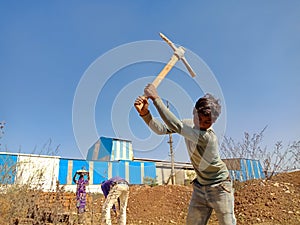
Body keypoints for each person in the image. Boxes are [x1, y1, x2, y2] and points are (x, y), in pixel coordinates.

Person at [134, 83, 236, 225]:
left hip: (220, 187)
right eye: (199, 119)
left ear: (214, 121)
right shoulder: (187, 124)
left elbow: (177, 125)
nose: (202, 124)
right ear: (194, 112)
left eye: (207, 122)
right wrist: (145, 114)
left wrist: (156, 99)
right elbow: (161, 129)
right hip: (200, 187)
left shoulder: (208, 137)